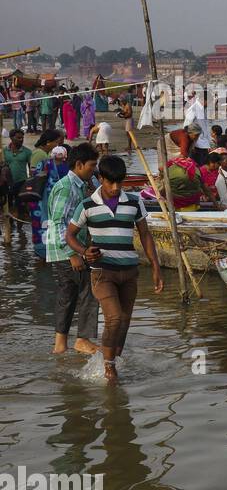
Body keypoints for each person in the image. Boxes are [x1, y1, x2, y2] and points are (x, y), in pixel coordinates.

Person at [65, 155, 164, 383]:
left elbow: (145, 235)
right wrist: (83, 251)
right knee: (114, 317)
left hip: (129, 272)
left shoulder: (134, 201)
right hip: (102, 272)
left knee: (125, 320)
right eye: (110, 182)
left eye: (120, 182)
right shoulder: (88, 205)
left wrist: (156, 267)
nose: (115, 187)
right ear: (100, 179)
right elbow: (70, 234)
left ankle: (112, 358)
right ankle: (109, 368)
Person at [46, 143, 100, 355]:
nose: (93, 170)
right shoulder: (67, 187)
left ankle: (60, 345)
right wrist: (72, 255)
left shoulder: (78, 184)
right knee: (90, 291)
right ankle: (82, 340)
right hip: (69, 250)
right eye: (91, 165)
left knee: (67, 296)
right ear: (79, 164)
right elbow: (58, 223)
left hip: (70, 249)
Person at [2, 129, 33, 245]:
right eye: (18, 138)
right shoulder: (4, 152)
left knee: (21, 207)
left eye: (22, 138)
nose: (21, 140)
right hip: (8, 184)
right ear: (11, 138)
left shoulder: (27, 152)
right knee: (7, 206)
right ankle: (9, 228)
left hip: (22, 183)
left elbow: (31, 168)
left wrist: (30, 182)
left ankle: (20, 230)